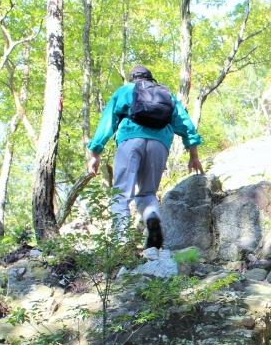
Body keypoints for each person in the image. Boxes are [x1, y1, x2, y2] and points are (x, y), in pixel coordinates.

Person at [86, 65, 204, 248]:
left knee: (121, 194)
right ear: (151, 79)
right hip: (159, 144)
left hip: (130, 140)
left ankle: (121, 244)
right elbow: (186, 124)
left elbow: (107, 122)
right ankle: (155, 234)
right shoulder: (165, 95)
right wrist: (193, 156)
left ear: (132, 78)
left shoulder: (125, 90)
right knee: (148, 194)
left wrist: (95, 153)